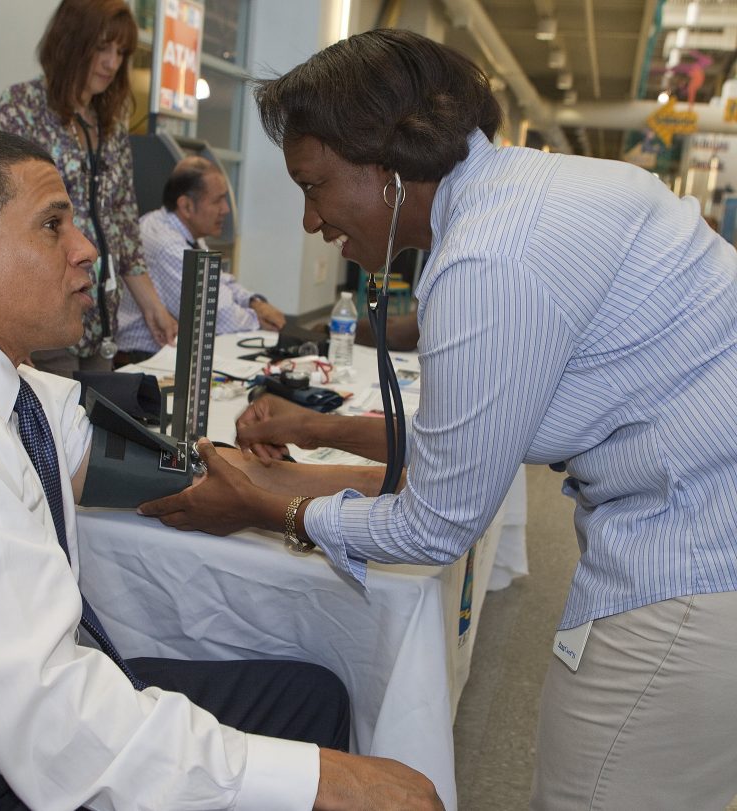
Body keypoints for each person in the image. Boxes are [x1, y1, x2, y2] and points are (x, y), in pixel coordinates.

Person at [0, 130, 441, 811]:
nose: (87, 251)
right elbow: (53, 726)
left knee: (311, 698)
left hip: (3, 725)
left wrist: (375, 483)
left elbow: (173, 474)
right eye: (54, 226)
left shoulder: (5, 386)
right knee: (307, 760)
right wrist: (318, 781)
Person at [139, 29, 737, 810]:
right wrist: (316, 445)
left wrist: (271, 503)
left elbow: (439, 525)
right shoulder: (526, 192)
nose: (313, 220)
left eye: (315, 186)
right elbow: (472, 437)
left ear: (388, 164)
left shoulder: (490, 256)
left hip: (693, 560)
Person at [0, 0, 176, 374]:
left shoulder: (111, 124)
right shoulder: (21, 108)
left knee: (94, 428)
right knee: (51, 425)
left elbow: (123, 226)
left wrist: (153, 305)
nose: (112, 63)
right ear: (71, 42)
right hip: (42, 315)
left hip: (99, 317)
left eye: (121, 52)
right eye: (102, 48)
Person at [116, 156, 286, 360]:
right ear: (186, 206)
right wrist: (259, 320)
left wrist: (255, 303)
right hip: (144, 358)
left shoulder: (181, 231)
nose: (226, 209)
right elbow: (216, 317)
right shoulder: (167, 245)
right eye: (217, 200)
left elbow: (221, 281)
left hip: (165, 352)